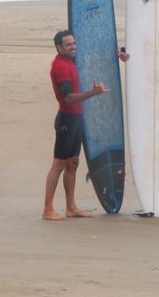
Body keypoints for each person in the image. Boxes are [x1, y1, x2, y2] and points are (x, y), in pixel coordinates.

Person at [42, 30, 122, 221]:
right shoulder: (61, 66)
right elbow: (69, 97)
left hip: (76, 118)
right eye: (68, 45)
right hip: (66, 120)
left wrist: (120, 53)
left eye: (74, 43)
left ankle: (71, 207)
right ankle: (48, 209)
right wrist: (93, 93)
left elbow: (94, 52)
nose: (73, 47)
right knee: (59, 163)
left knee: (73, 163)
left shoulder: (71, 61)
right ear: (59, 47)